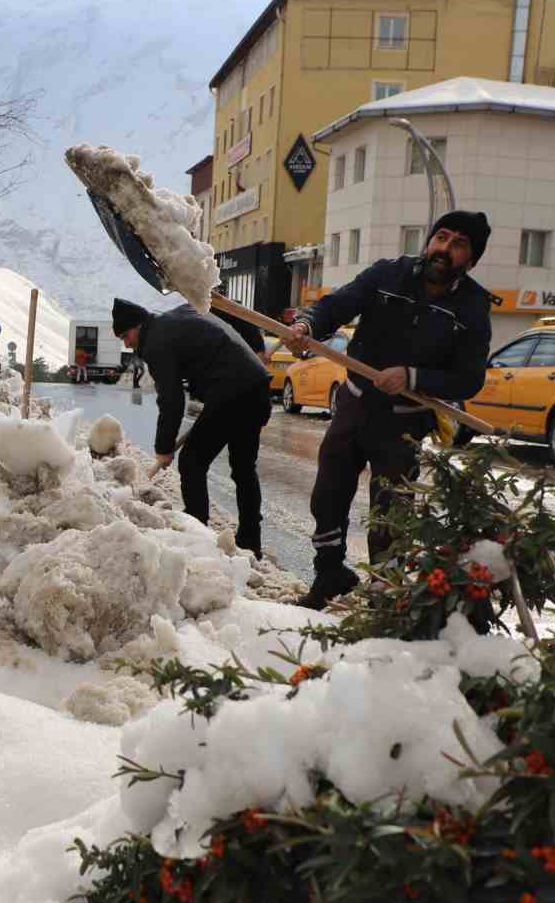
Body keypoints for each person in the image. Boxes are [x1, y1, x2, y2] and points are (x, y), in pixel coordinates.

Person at [285, 211, 495, 610]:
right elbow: (337, 305)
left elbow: (469, 379)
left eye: (458, 244)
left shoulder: (472, 307)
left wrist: (413, 377)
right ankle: (329, 576)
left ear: (471, 259)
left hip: (404, 424)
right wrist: (307, 326)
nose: (445, 248)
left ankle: (384, 597)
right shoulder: (388, 274)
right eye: (441, 237)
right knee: (327, 496)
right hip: (355, 403)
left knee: (391, 516)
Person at [113, 296, 271, 557]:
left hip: (232, 393)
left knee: (191, 462)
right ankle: (251, 541)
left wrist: (164, 448)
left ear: (139, 326)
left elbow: (172, 400)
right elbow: (228, 309)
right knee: (244, 468)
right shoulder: (185, 312)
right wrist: (257, 346)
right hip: (256, 387)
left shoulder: (156, 343)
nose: (127, 343)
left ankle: (197, 532)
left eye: (125, 336)